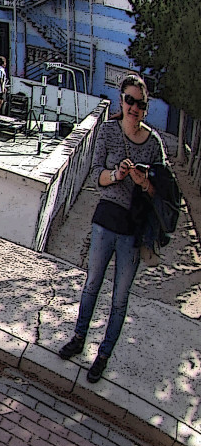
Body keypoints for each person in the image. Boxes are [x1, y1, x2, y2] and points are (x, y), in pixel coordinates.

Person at [57, 74, 166, 383]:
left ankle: (103, 355)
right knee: (92, 284)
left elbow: (162, 190)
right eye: (129, 100)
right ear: (121, 100)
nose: (133, 108)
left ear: (146, 108)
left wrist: (143, 181)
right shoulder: (107, 131)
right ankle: (79, 338)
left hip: (133, 230)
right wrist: (117, 174)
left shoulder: (154, 144)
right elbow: (96, 176)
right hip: (105, 221)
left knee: (120, 297)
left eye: (140, 104)